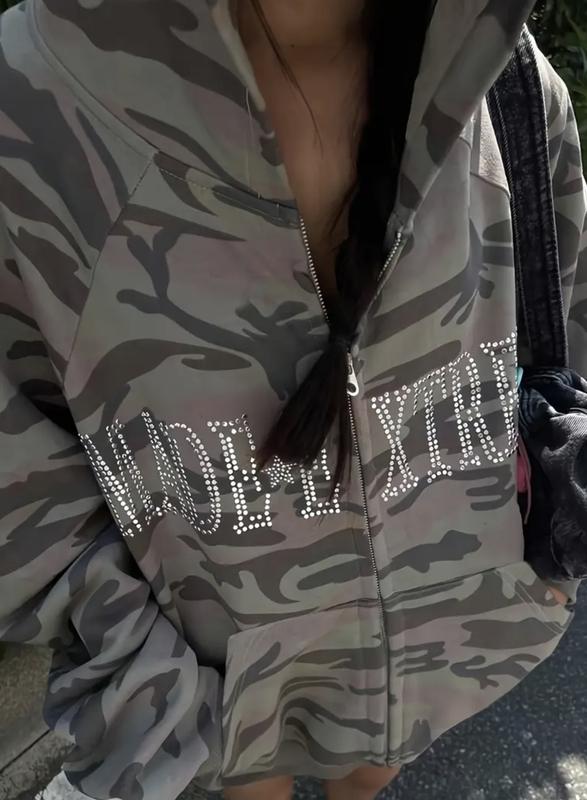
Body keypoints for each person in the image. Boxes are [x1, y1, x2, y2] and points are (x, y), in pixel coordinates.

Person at [0, 1, 584, 799]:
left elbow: (562, 328)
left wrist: (524, 582)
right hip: (219, 691)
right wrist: (148, 687)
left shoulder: (500, 75)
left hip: (440, 659)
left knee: (368, 776)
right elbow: (18, 483)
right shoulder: (29, 112)